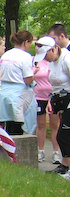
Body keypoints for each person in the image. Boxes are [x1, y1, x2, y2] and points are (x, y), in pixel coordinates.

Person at [0, 30, 35, 135]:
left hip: (3, 92)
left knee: (6, 125)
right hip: (18, 94)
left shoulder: (6, 55)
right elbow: (28, 79)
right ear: (26, 42)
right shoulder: (25, 56)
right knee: (17, 126)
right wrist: (34, 73)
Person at [47, 23, 70, 164]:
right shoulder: (56, 57)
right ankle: (65, 164)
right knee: (63, 134)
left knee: (65, 134)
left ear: (62, 36)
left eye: (53, 39)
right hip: (62, 100)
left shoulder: (66, 55)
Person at [33, 36, 56, 162]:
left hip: (52, 96)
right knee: (41, 124)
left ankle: (56, 152)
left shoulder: (55, 62)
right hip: (38, 97)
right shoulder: (35, 61)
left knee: (55, 124)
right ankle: (40, 151)